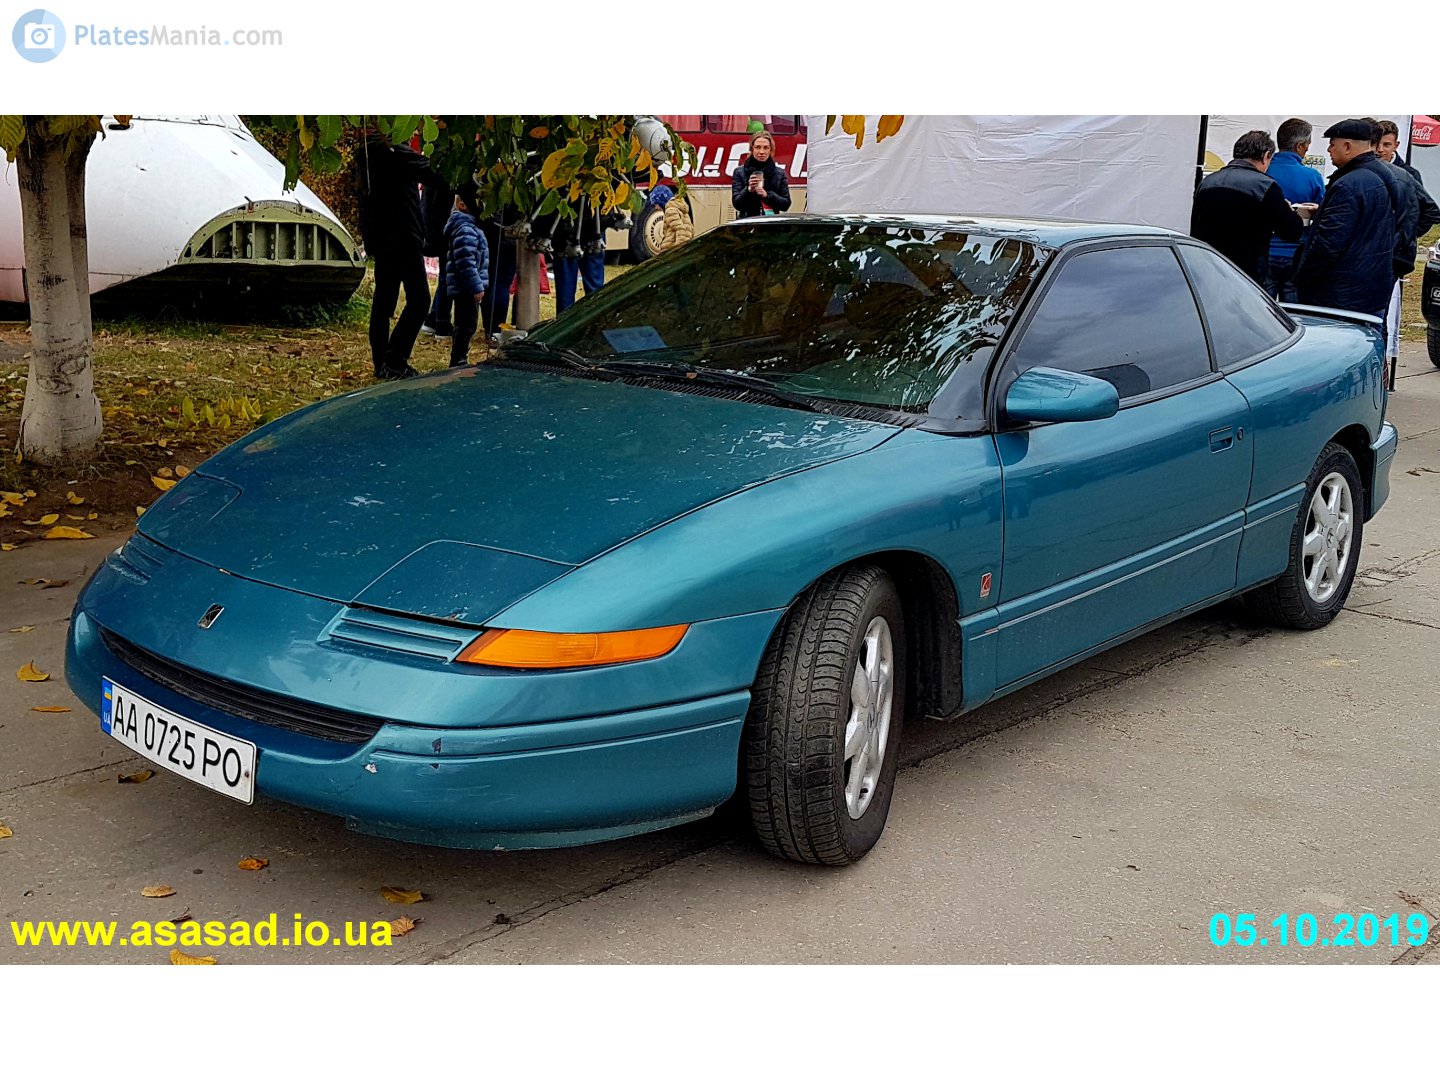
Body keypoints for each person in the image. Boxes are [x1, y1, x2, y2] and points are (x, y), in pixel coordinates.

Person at [1294, 120, 1399, 321]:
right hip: (1369, 285)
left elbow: (1327, 244)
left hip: (1341, 294)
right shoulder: (1382, 174)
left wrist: (1302, 277)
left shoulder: (1348, 185)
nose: (1328, 149)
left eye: (1333, 144)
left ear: (1348, 147)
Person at [357, 133, 435, 380]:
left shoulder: (368, 154)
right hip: (403, 235)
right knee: (420, 300)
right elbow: (433, 173)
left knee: (383, 303)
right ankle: (394, 360)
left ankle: (382, 363)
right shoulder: (395, 153)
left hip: (382, 237)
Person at [1190, 130, 1306, 286]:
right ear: (1266, 156)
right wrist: (1291, 211)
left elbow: (1195, 228)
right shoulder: (1265, 185)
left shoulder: (1207, 182)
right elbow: (1291, 232)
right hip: (1246, 275)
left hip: (1207, 268)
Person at [1265, 119, 1326, 301]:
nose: (1308, 149)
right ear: (1300, 146)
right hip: (1296, 253)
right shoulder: (1312, 177)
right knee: (1295, 315)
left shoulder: (1263, 172)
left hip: (1265, 251)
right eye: (1307, 145)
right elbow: (1324, 216)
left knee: (1261, 313)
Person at [443, 182, 489, 368]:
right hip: (465, 288)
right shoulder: (465, 229)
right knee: (466, 324)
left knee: (466, 323)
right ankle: (459, 359)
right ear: (462, 205)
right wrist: (476, 285)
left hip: (465, 286)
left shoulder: (470, 227)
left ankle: (460, 356)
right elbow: (465, 261)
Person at [553, 204, 606, 314]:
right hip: (593, 222)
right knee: (594, 287)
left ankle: (565, 326)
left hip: (568, 222)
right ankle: (594, 322)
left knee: (566, 289)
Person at [420, 176, 455, 340]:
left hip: (434, 228)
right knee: (448, 277)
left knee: (445, 276)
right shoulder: (450, 172)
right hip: (446, 228)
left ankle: (434, 319)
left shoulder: (434, 168)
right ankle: (442, 323)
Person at [731, 131, 792, 220]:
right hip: (746, 224)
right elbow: (737, 204)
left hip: (771, 225)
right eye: (757, 147)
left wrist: (767, 195)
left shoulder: (779, 173)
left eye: (766, 148)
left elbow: (786, 204)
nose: (761, 152)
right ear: (752, 149)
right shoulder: (739, 172)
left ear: (771, 150)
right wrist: (748, 190)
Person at [658, 186, 694, 252]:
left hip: (671, 247)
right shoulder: (682, 209)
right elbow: (691, 229)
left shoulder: (670, 210)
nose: (656, 207)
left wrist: (677, 250)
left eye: (656, 204)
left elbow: (680, 229)